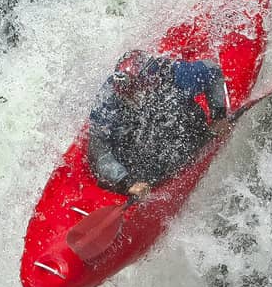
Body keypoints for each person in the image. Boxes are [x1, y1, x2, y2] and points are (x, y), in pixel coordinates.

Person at [87, 49, 231, 199]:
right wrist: (127, 183)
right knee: (133, 148)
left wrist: (218, 116)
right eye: (126, 93)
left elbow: (212, 69)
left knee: (172, 114)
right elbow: (97, 147)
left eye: (134, 92)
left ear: (150, 81)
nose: (130, 97)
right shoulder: (109, 98)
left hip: (181, 125)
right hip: (136, 141)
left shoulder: (174, 75)